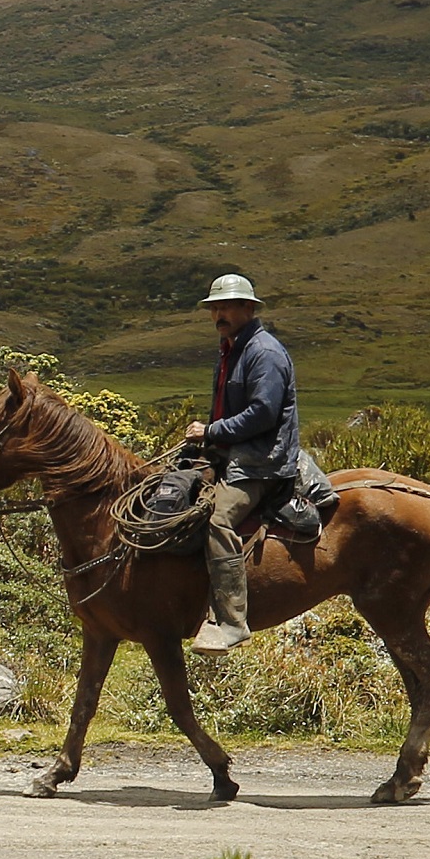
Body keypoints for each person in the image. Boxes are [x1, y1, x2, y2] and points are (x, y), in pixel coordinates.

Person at [178, 272, 294, 652]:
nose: (218, 315)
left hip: (262, 461)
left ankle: (232, 621)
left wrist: (210, 432)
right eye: (214, 308)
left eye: (226, 307)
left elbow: (263, 413)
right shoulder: (232, 347)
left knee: (218, 518)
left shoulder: (264, 353)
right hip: (234, 452)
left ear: (248, 308)